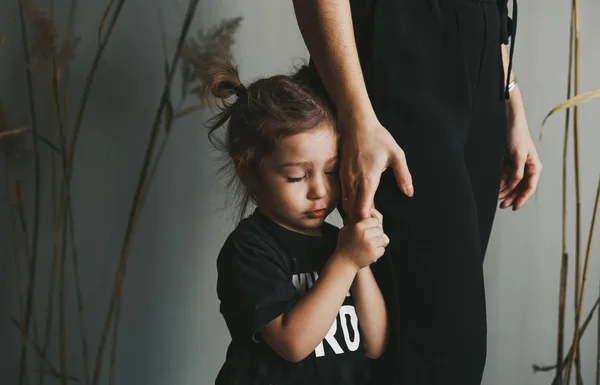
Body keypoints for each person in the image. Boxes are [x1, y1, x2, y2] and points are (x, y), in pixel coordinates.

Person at [292, 0, 542, 384]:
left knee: (445, 342)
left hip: (485, 55)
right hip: (398, 46)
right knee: (438, 345)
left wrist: (511, 96)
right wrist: (355, 113)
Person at [206, 61, 390, 385]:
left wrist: (359, 259)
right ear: (248, 171)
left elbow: (375, 344)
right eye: (296, 176)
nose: (319, 190)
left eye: (331, 170)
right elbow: (293, 343)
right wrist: (346, 261)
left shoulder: (339, 241)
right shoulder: (249, 249)